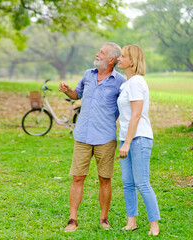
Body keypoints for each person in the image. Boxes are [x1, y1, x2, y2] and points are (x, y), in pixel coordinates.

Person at [58, 43, 126, 232]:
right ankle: (72, 219)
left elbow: (128, 107)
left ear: (111, 60)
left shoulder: (120, 81)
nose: (97, 54)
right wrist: (67, 90)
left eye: (102, 53)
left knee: (105, 178)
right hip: (82, 136)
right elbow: (76, 94)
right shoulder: (88, 75)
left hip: (105, 137)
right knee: (77, 178)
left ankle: (103, 219)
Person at [116, 45, 160, 236]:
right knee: (127, 182)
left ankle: (154, 225)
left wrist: (127, 142)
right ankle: (131, 222)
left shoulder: (136, 82)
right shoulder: (126, 83)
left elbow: (136, 115)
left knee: (142, 182)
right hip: (126, 138)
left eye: (123, 56)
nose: (119, 58)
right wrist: (123, 140)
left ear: (132, 62)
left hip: (139, 138)